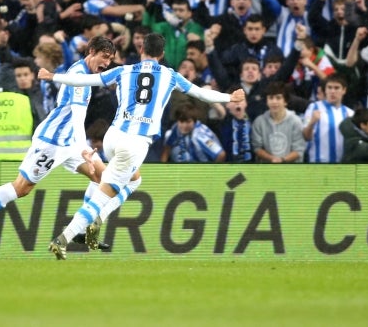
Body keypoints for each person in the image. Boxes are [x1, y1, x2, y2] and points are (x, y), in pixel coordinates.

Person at [41, 33, 245, 259]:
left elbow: (88, 80)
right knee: (105, 193)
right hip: (135, 142)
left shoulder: (124, 70)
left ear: (141, 50)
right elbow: (201, 93)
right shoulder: (170, 75)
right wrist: (230, 98)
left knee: (134, 179)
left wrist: (54, 76)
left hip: (113, 136)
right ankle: (64, 238)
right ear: (162, 54)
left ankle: (96, 222)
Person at [0, 37, 125, 250]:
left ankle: (82, 230)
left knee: (102, 177)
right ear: (91, 51)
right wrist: (85, 149)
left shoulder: (83, 72)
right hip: (52, 142)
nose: (107, 63)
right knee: (22, 188)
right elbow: (77, 116)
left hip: (69, 141)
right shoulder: (79, 77)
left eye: (110, 60)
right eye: (104, 57)